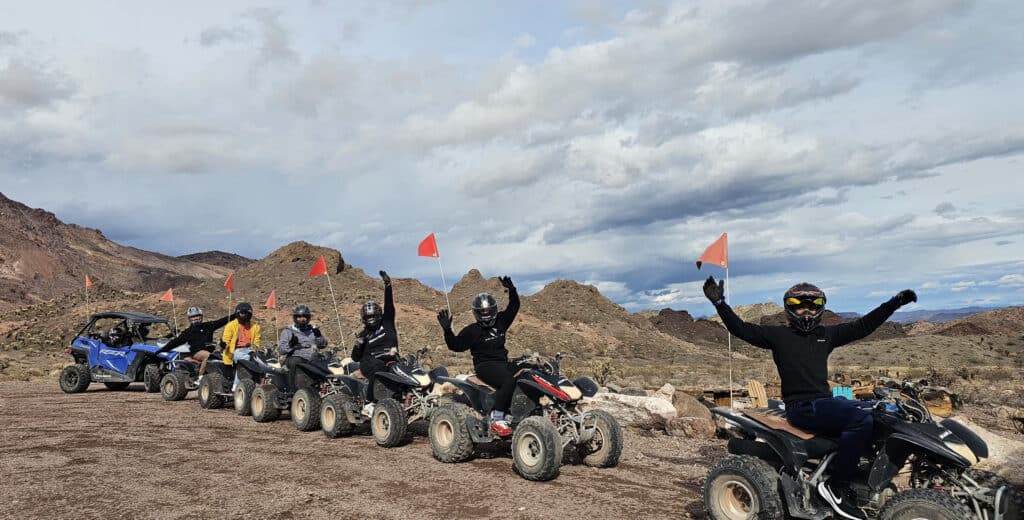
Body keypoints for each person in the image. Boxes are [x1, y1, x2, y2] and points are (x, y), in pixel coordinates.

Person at [703, 275, 916, 520]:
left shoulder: (826, 335)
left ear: (820, 309)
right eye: (799, 305)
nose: (806, 311)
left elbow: (863, 326)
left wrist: (893, 303)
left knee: (878, 417)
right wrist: (720, 304)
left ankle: (858, 479)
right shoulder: (778, 336)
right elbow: (740, 329)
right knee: (860, 421)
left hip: (824, 403)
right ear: (789, 309)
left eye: (812, 306)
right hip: (801, 407)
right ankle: (836, 488)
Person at [436, 275, 519, 437]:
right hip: (485, 366)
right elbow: (456, 345)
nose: (487, 315)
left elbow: (514, 306)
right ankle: (498, 417)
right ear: (477, 314)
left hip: (502, 362)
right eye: (483, 312)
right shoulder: (472, 330)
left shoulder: (501, 321)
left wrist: (512, 289)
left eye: (489, 311)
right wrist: (447, 330)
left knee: (528, 370)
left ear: (494, 310)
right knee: (509, 380)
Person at [351, 270, 398, 417]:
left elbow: (389, 305)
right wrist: (358, 345)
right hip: (370, 362)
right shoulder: (363, 334)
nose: (371, 319)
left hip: (391, 359)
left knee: (409, 366)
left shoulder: (387, 322)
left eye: (373, 316)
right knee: (379, 368)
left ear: (379, 315)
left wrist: (388, 285)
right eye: (368, 317)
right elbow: (355, 358)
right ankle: (369, 403)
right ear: (364, 318)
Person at [159, 306, 234, 382]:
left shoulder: (208, 326)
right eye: (193, 317)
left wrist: (235, 315)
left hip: (211, 350)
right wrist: (161, 350)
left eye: (197, 316)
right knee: (208, 356)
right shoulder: (187, 332)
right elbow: (174, 342)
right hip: (196, 353)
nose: (196, 318)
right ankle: (200, 378)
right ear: (189, 318)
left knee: (225, 356)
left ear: (201, 316)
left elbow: (222, 321)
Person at [278, 304, 329, 390]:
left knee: (329, 358)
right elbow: (281, 350)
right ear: (295, 318)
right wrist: (291, 346)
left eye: (305, 316)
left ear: (308, 317)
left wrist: (319, 336)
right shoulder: (288, 331)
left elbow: (323, 345)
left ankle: (329, 387)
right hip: (296, 356)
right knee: (295, 361)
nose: (302, 319)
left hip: (313, 357)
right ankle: (292, 389)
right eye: (299, 316)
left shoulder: (313, 330)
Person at [221, 302, 261, 390]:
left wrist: (254, 348)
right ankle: (236, 385)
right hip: (234, 351)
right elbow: (226, 341)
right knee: (244, 358)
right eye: (241, 313)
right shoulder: (231, 325)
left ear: (249, 314)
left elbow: (256, 341)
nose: (243, 315)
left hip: (250, 350)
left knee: (263, 359)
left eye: (245, 313)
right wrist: (224, 345)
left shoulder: (255, 326)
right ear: (237, 313)